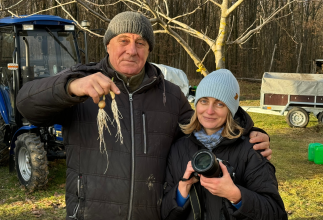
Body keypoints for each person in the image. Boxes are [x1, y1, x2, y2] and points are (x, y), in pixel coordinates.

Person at [16, 11, 272, 220]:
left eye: (140, 43)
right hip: (91, 213)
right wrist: (70, 87)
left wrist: (249, 131)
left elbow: (206, 122)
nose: (132, 50)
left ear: (149, 50)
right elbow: (26, 105)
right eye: (123, 40)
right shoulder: (82, 82)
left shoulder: (169, 96)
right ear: (108, 45)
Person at [161, 69, 287, 220]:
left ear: (230, 110)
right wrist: (182, 190)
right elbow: (164, 213)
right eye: (204, 101)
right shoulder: (178, 148)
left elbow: (276, 213)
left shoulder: (251, 149)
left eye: (219, 104)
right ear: (196, 104)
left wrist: (236, 195)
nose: (209, 111)